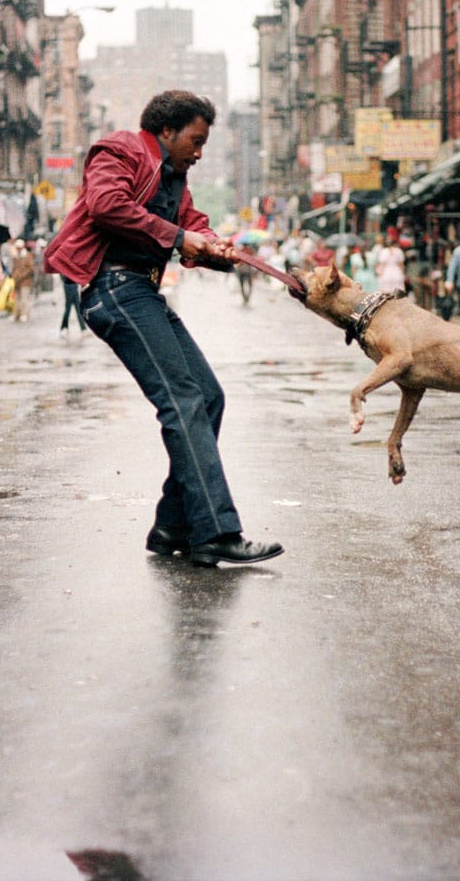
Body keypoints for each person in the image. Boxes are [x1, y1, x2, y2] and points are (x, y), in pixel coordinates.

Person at [43, 88, 284, 567]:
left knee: (208, 396)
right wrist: (180, 236)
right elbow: (106, 205)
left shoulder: (176, 177)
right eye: (194, 141)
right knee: (182, 400)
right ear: (166, 131)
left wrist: (216, 246)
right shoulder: (120, 150)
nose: (199, 153)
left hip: (142, 290)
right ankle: (215, 530)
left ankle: (172, 526)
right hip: (112, 286)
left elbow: (195, 224)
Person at [10, 238, 35, 322]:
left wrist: (22, 275)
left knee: (24, 299)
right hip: (17, 281)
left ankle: (24, 314)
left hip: (25, 281)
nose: (18, 249)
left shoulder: (27, 255)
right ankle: (17, 314)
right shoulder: (15, 256)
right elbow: (13, 268)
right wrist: (14, 276)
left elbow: (31, 268)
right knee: (17, 299)